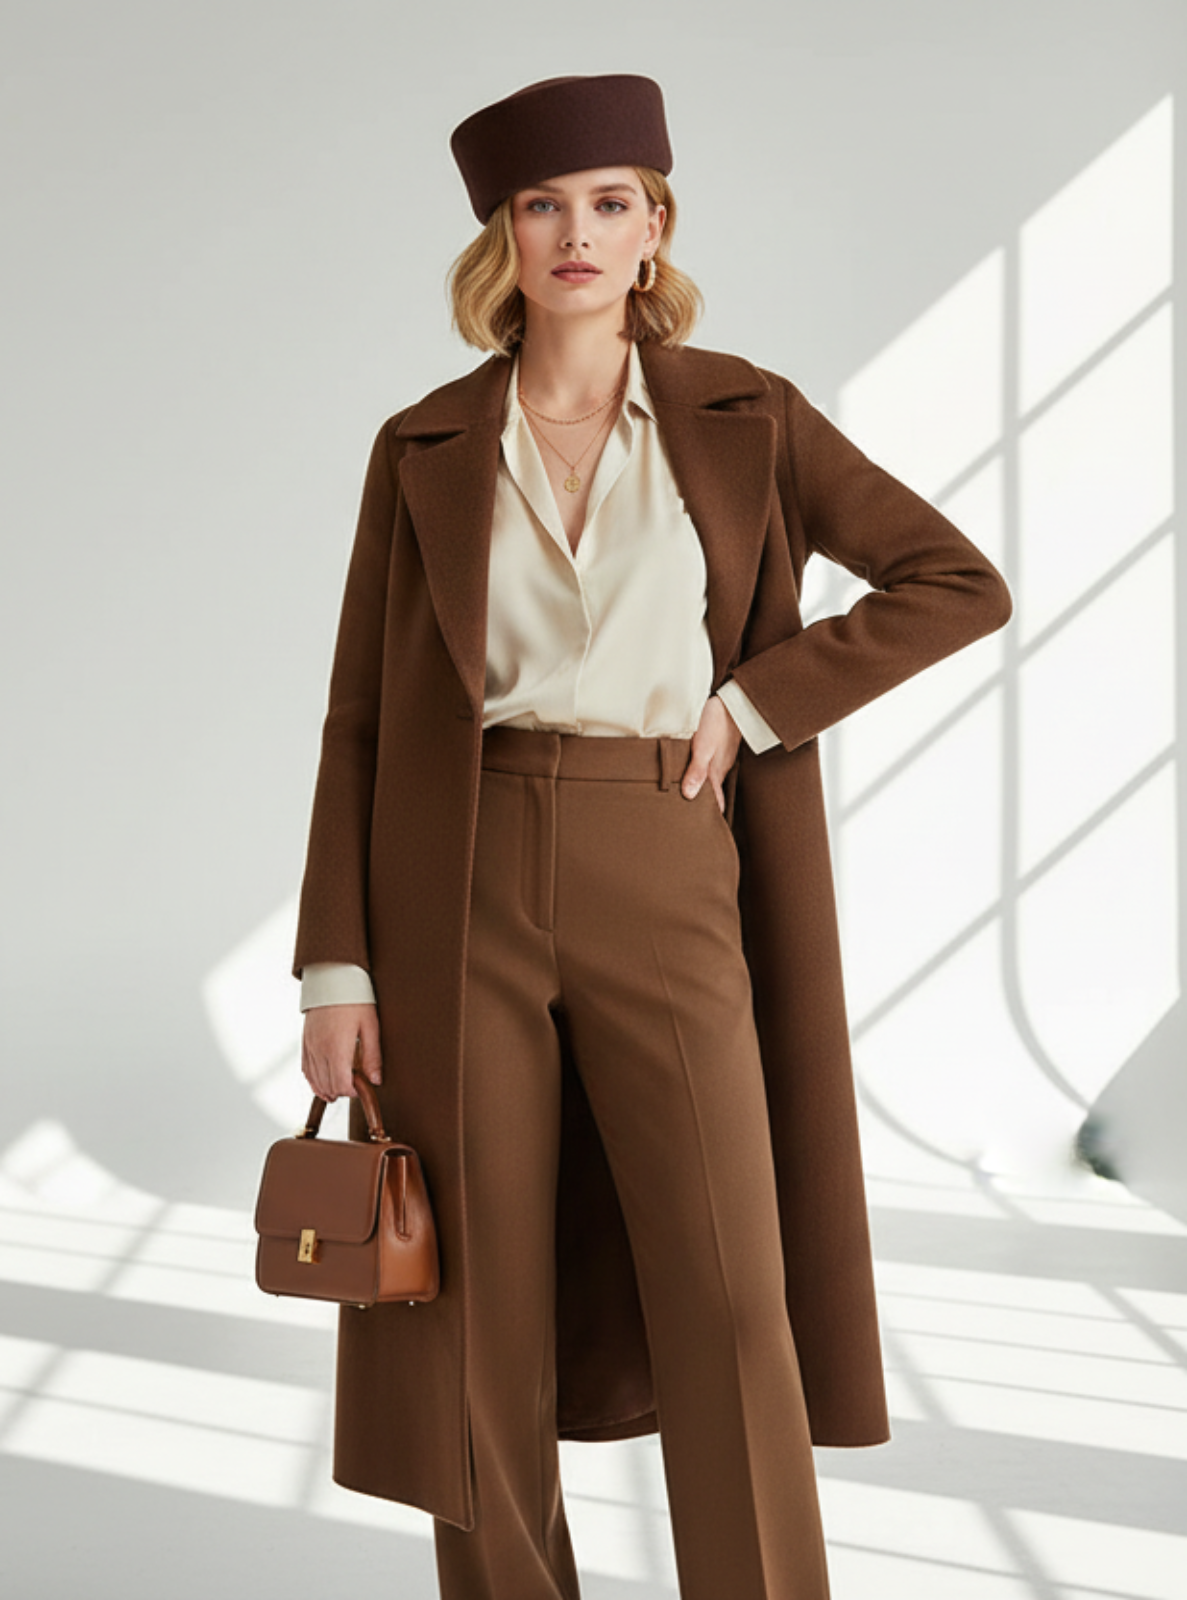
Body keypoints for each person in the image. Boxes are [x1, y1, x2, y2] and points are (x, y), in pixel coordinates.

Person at [292, 72, 1012, 1600]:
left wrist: (754, 705)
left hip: (660, 845)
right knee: (467, 1299)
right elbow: (359, 716)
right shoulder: (420, 443)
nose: (574, 232)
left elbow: (953, 582)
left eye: (607, 201)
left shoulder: (744, 413)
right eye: (541, 204)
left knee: (727, 1284)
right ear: (502, 233)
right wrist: (333, 968)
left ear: (653, 226)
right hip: (457, 875)